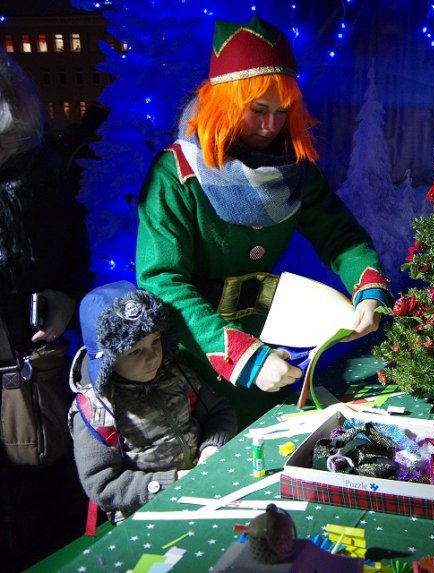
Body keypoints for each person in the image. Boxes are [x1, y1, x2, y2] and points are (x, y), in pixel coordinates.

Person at [135, 16, 392, 426]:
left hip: (275, 345)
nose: (271, 126)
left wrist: (369, 290)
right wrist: (241, 355)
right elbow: (161, 281)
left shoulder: (295, 169)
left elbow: (340, 236)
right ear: (224, 104)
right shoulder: (174, 175)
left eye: (281, 112)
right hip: (196, 357)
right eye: (257, 110)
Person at [0, 51, 93, 570]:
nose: (9, 150)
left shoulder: (42, 178)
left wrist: (66, 299)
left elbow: (73, 259)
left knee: (49, 511)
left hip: (38, 377)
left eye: (16, 137)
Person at [69, 281, 238, 527]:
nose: (153, 357)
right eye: (135, 352)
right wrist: (171, 482)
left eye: (155, 341)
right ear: (108, 361)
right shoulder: (95, 410)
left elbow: (219, 411)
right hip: (146, 516)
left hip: (203, 488)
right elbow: (101, 484)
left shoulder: (176, 372)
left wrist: (211, 447)